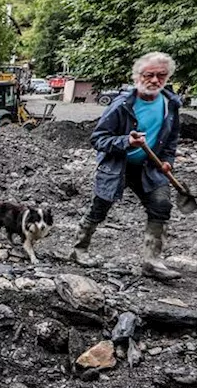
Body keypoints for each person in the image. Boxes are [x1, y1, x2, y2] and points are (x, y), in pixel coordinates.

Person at [72, 52, 182, 281]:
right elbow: (98, 139)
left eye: (161, 75)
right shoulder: (122, 105)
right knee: (100, 207)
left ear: (167, 77)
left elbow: (171, 141)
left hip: (149, 167)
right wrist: (125, 141)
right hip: (117, 166)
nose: (154, 80)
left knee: (161, 205)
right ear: (137, 77)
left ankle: (151, 262)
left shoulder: (170, 105)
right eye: (149, 75)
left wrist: (167, 162)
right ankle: (79, 249)